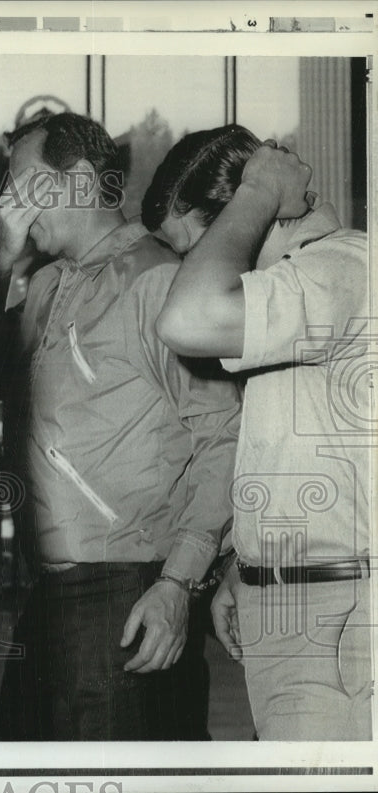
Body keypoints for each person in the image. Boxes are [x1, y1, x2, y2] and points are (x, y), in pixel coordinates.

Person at [0, 112, 242, 741]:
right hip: (48, 601)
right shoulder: (42, 290)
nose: (12, 204)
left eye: (25, 184)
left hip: (128, 592)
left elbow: (223, 435)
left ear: (81, 180)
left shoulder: (158, 278)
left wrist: (177, 584)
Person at [146, 126, 372, 740]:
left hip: (338, 615)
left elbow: (187, 318)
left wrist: (260, 190)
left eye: (200, 246)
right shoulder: (309, 281)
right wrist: (242, 572)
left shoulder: (340, 269)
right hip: (305, 601)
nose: (196, 267)